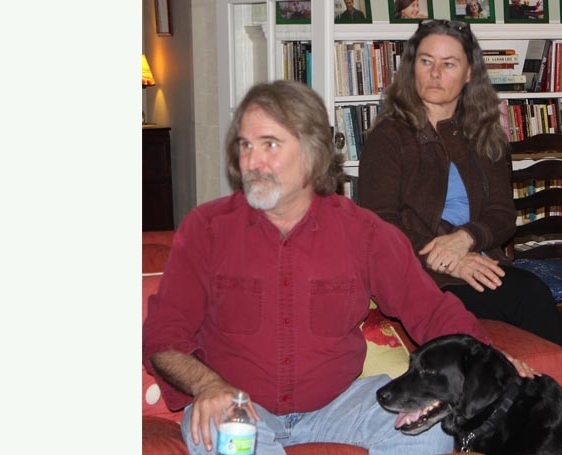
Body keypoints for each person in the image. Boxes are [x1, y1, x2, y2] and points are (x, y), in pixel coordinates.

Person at [142, 80, 537, 455]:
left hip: (340, 403)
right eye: (245, 145)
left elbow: (429, 310)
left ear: (313, 153)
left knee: (430, 430)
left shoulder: (363, 232)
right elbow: (163, 335)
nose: (252, 161)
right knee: (220, 436)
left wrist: (493, 361)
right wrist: (209, 385)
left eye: (270, 145)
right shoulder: (208, 228)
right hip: (237, 404)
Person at [357, 19, 562, 421]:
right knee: (526, 294)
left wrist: (467, 239)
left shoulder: (483, 131)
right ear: (411, 67)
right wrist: (447, 255)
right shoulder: (390, 135)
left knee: (529, 291)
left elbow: (503, 216)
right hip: (415, 274)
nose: (435, 73)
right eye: (426, 61)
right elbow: (379, 222)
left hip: (477, 261)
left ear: (469, 72)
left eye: (449, 63)